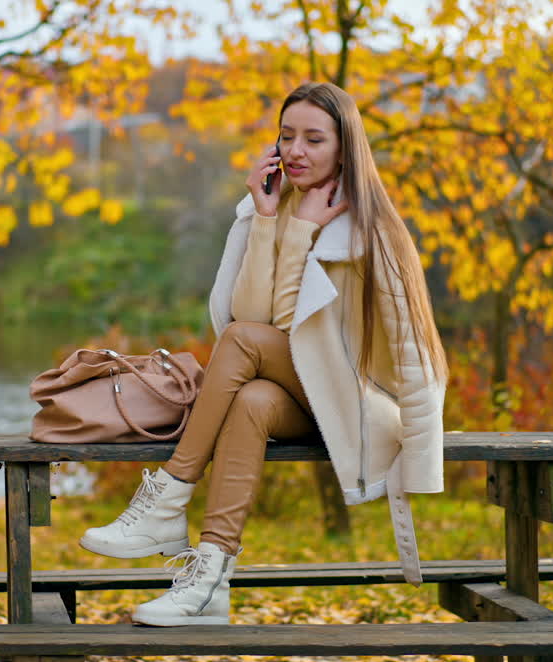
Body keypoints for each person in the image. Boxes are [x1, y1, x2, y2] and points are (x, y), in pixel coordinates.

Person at [79, 82, 450, 627]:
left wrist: (421, 458)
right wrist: (275, 222)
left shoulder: (374, 232)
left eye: (314, 139)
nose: (296, 150)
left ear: (345, 148)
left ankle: (168, 496)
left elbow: (414, 350)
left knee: (241, 345)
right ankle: (208, 582)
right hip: (295, 392)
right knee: (251, 397)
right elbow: (257, 321)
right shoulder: (268, 212)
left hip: (351, 402)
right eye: (287, 136)